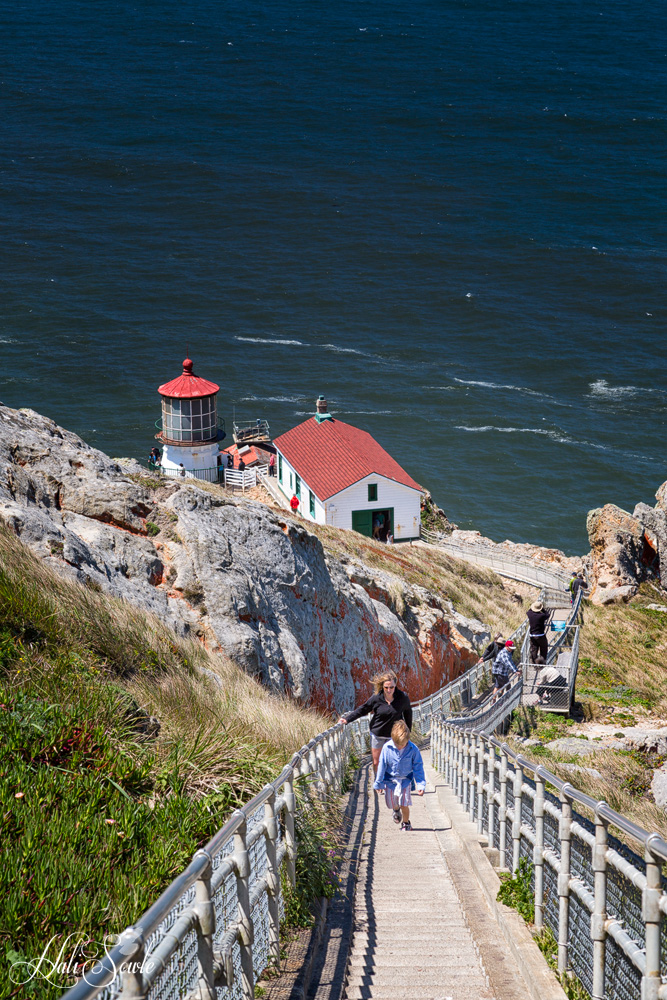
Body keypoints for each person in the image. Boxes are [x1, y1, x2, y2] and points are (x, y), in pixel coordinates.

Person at [337, 670, 413, 773]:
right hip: (378, 734)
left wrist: (407, 733)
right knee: (377, 762)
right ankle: (378, 784)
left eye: (391, 687)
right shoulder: (376, 698)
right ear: (382, 686)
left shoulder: (403, 697)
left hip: (394, 736)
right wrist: (347, 719)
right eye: (386, 687)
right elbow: (363, 709)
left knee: (394, 762)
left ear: (395, 685)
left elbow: (408, 713)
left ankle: (390, 785)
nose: (389, 690)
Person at [373, 720, 425, 831]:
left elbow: (418, 767)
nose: (400, 747)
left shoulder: (413, 749)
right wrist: (379, 783)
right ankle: (396, 810)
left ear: (408, 740)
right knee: (391, 803)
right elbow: (382, 765)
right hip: (390, 781)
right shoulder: (387, 748)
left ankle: (406, 823)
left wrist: (420, 784)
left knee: (404, 803)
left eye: (403, 744)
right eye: (397, 745)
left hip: (405, 780)